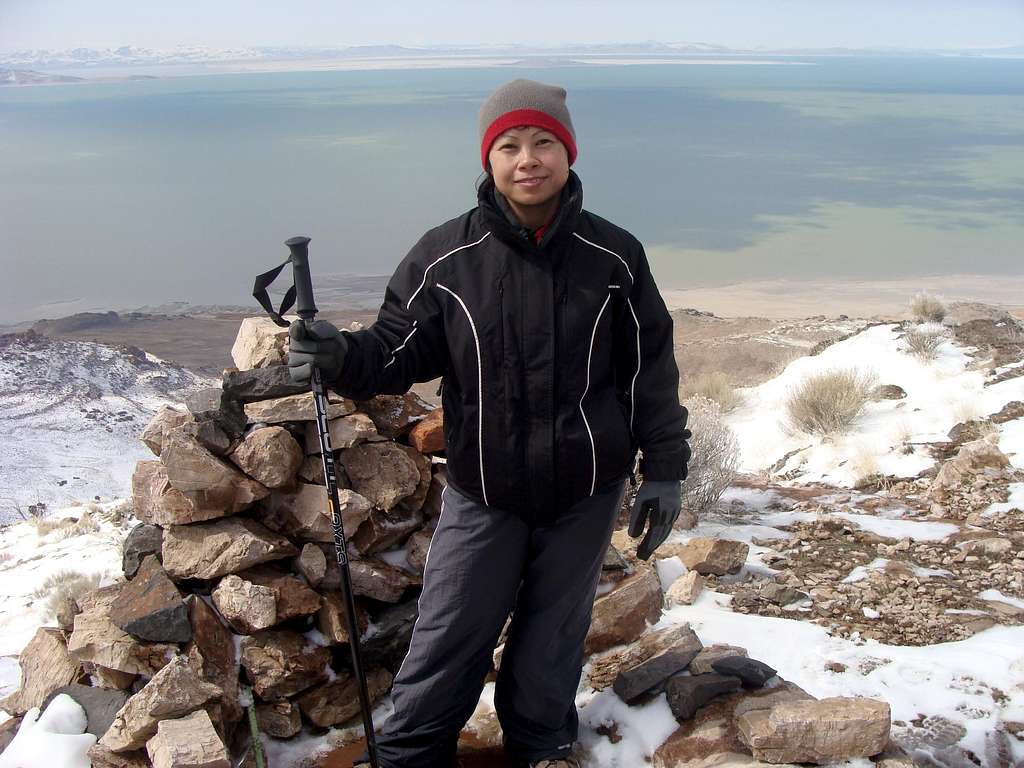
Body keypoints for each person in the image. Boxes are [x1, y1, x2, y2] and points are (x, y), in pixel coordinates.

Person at [288, 78, 692, 768]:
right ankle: (412, 755)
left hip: (586, 488)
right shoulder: (447, 257)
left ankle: (541, 747)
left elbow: (648, 370)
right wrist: (341, 355)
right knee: (450, 631)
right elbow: (396, 347)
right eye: (509, 145)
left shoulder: (615, 257)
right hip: (486, 487)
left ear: (568, 153)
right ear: (489, 159)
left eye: (543, 142)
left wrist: (667, 470)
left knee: (553, 638)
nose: (526, 159)